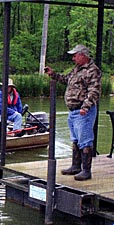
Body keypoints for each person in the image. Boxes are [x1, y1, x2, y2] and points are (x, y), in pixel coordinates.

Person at [44, 44, 101, 181]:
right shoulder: (76, 70)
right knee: (75, 139)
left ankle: (86, 171)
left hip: (83, 111)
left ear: (83, 55)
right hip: (73, 111)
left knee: (85, 140)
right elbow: (66, 79)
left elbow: (94, 91)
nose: (73, 58)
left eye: (75, 55)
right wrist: (53, 74)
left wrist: (86, 107)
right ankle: (76, 166)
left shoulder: (93, 71)